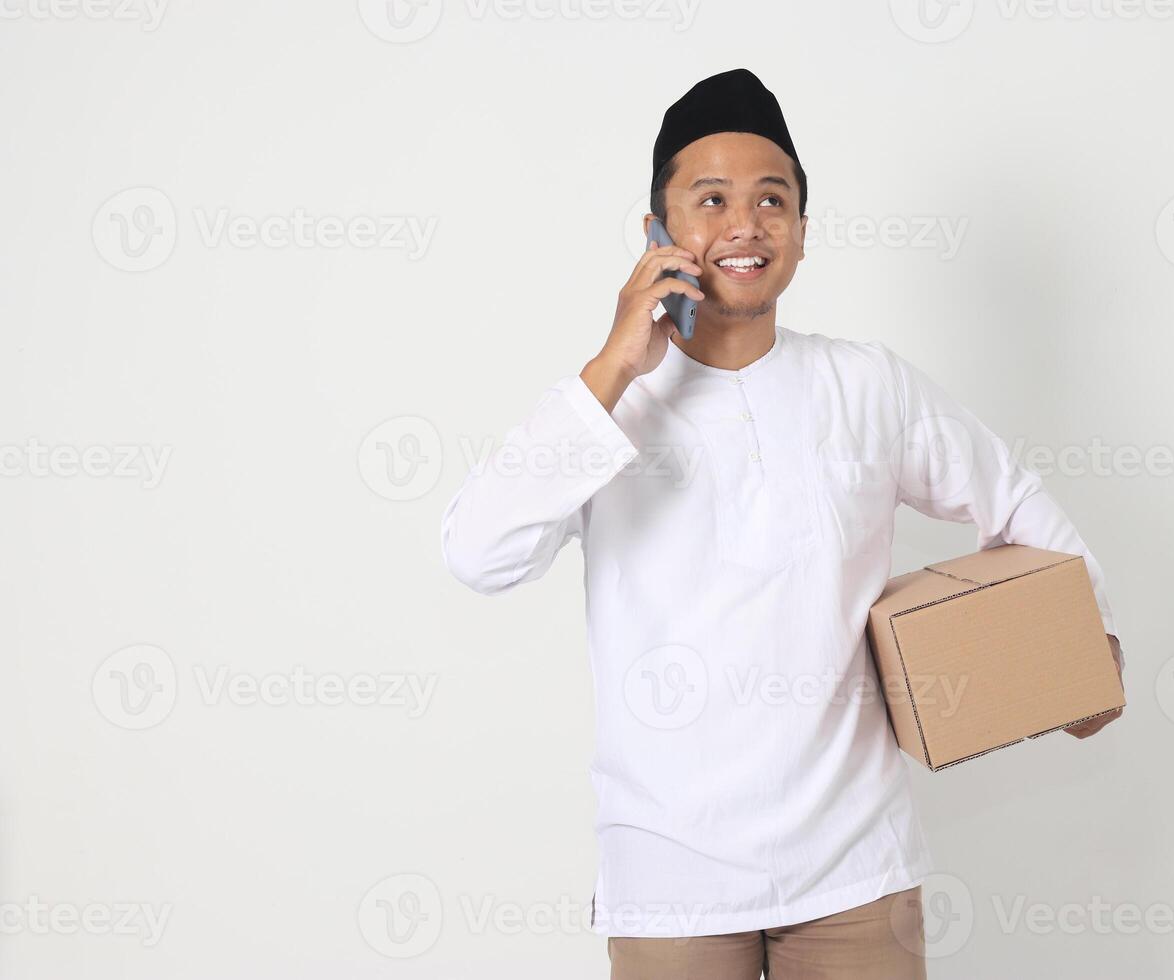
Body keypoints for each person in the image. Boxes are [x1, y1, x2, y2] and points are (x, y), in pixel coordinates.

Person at [441, 67, 1124, 980]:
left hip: (855, 867)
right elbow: (477, 551)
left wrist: (1086, 649)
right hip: (671, 876)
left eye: (773, 199)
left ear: (801, 230)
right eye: (710, 199)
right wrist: (614, 363)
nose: (744, 225)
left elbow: (1016, 504)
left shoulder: (865, 385)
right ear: (657, 232)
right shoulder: (607, 410)